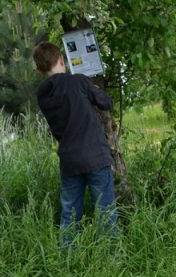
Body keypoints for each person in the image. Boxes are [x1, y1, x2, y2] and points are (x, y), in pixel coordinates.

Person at [33, 41, 117, 245]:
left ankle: (68, 257)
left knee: (69, 213)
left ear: (38, 69)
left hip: (69, 160)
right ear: (62, 60)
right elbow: (106, 102)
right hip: (96, 156)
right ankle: (112, 258)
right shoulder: (78, 81)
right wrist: (92, 87)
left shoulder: (42, 94)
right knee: (106, 211)